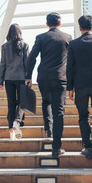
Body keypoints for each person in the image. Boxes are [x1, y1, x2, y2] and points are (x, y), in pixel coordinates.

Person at [26, 12, 72, 158]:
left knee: (46, 102)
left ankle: (48, 130)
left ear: (47, 24)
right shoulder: (67, 38)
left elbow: (32, 57)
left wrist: (28, 76)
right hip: (61, 78)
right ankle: (56, 147)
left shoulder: (41, 37)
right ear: (60, 23)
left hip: (44, 77)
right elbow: (72, 61)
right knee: (59, 110)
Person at [66, 15, 92, 167]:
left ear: (80, 27)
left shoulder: (73, 44)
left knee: (83, 116)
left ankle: (88, 147)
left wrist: (69, 88)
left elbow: (69, 68)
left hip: (80, 85)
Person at [0, 24, 29, 140]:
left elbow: (3, 64)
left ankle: (11, 130)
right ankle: (17, 121)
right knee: (22, 102)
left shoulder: (4, 46)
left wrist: (0, 80)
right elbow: (27, 63)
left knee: (11, 104)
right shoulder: (24, 45)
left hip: (8, 78)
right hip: (21, 77)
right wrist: (28, 78)